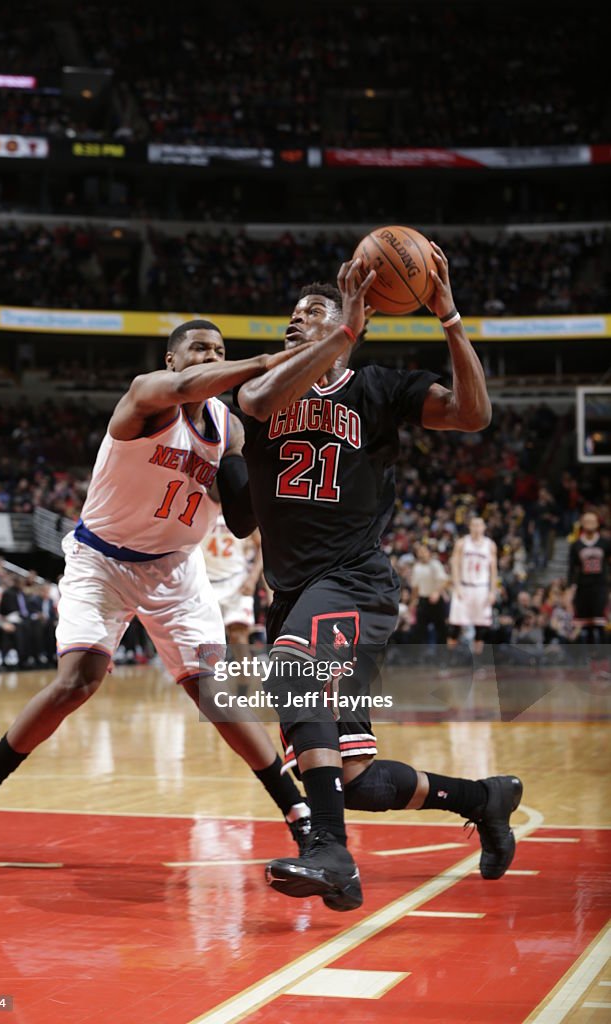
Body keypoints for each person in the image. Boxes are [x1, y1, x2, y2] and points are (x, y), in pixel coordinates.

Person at [0, 320, 310, 847]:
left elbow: (242, 520)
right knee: (78, 682)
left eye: (220, 350)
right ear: (172, 358)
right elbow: (182, 391)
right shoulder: (148, 394)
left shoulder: (229, 427)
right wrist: (270, 364)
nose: (211, 355)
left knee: (215, 695)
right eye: (199, 348)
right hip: (102, 561)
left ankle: (298, 812)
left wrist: (272, 467)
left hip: (175, 568)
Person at [236, 249, 522, 912]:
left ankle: (330, 854)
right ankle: (483, 799)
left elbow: (472, 414)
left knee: (291, 670)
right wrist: (342, 330)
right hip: (294, 596)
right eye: (291, 317)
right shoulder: (259, 393)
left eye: (312, 315)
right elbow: (255, 397)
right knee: (354, 778)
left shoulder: (378, 389)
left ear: (350, 325)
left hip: (354, 583)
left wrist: (448, 316)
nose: (292, 323)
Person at [203, 515, 263, 645]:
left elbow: (262, 545)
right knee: (208, 641)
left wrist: (252, 578)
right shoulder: (198, 506)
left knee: (238, 636)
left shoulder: (238, 509)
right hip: (206, 582)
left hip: (237, 581)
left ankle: (244, 665)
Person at [448, 517, 498, 655]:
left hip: (482, 587)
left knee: (481, 627)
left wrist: (493, 591)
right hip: (464, 586)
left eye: (479, 525)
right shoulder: (462, 543)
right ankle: (450, 657)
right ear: (469, 527)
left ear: (484, 527)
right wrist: (456, 585)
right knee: (455, 625)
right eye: (474, 525)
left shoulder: (490, 545)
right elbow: (455, 565)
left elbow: (493, 570)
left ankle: (478, 659)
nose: (476, 528)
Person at [567, 511, 610, 645]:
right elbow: (571, 568)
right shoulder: (576, 545)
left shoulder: (605, 543)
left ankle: (604, 656)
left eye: (592, 521)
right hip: (583, 587)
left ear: (597, 524)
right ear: (582, 524)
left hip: (600, 586)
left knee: (600, 622)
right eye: (587, 521)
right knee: (587, 624)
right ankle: (590, 656)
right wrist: (570, 586)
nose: (589, 524)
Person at [410, 543, 450, 646]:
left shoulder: (435, 564)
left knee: (441, 629)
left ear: (429, 553)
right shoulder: (416, 567)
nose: (421, 553)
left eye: (424, 551)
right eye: (419, 551)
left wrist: (436, 592)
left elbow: (445, 581)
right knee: (420, 630)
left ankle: (443, 657)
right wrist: (412, 603)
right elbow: (415, 587)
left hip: (437, 600)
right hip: (423, 600)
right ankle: (420, 657)